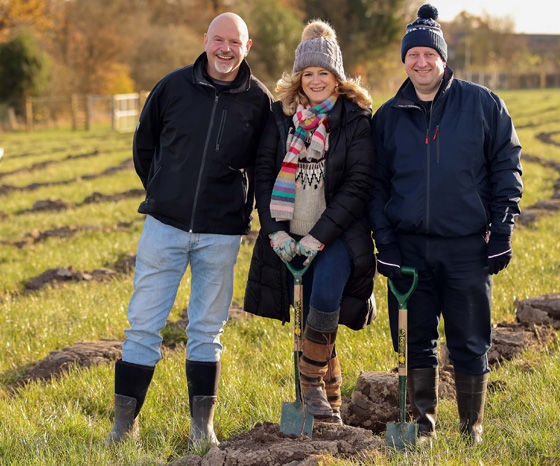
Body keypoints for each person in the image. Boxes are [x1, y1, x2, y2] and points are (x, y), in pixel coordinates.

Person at [106, 13, 272, 446]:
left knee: (207, 329)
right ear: (205, 40)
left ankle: (203, 429)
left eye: (234, 42)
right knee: (143, 325)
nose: (225, 49)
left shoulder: (260, 101)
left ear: (247, 47)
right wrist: (164, 190)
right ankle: (124, 428)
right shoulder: (173, 87)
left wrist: (244, 213)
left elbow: (264, 167)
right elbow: (145, 145)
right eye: (218, 40)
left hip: (221, 234)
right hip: (165, 226)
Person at [369, 4, 523, 444]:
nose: (421, 62)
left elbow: (507, 166)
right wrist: (387, 245)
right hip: (410, 249)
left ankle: (471, 425)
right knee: (416, 338)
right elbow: (375, 187)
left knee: (470, 339)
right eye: (412, 54)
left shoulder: (482, 104)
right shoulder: (388, 116)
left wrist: (503, 228)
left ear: (442, 57)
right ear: (404, 60)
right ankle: (423, 425)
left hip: (466, 247)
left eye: (428, 54)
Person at [244, 20, 376, 424]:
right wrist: (274, 233)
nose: (316, 81)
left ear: (337, 79)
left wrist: (319, 237)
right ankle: (328, 404)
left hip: (336, 234)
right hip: (288, 232)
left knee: (324, 300)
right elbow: (263, 175)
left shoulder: (355, 119)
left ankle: (311, 387)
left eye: (324, 73)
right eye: (309, 74)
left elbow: (358, 184)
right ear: (299, 78)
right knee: (318, 314)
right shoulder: (281, 117)